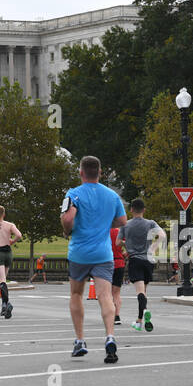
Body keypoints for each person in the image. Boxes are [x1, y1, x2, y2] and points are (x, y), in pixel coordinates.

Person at [60, 155, 124, 363]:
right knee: (105, 296)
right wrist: (106, 223)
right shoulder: (112, 195)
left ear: (81, 172)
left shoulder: (73, 194)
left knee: (77, 294)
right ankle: (109, 336)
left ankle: (80, 340)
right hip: (104, 254)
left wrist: (67, 230)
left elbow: (68, 217)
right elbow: (122, 220)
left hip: (79, 252)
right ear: (100, 172)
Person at [121, 198, 165, 333]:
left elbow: (118, 242)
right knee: (144, 291)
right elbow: (162, 235)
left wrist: (127, 246)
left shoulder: (126, 225)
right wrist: (153, 248)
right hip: (148, 260)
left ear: (131, 210)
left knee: (140, 291)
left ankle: (144, 311)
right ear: (144, 210)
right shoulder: (151, 223)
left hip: (135, 259)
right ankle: (139, 320)